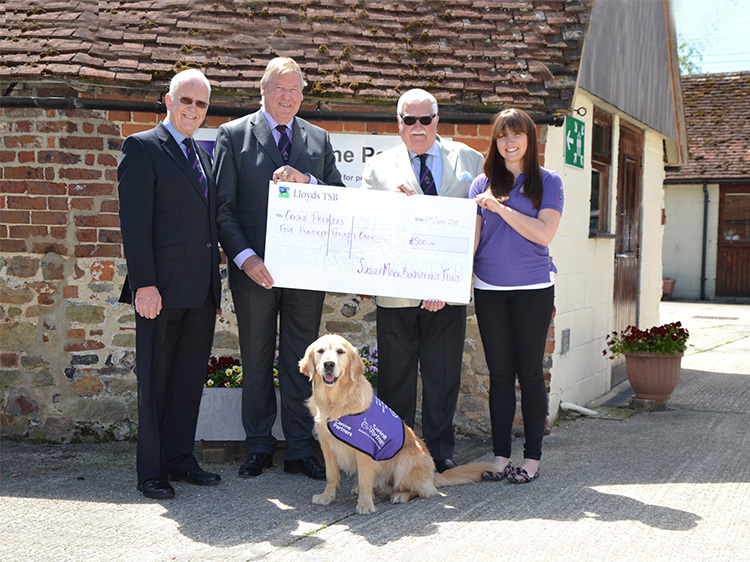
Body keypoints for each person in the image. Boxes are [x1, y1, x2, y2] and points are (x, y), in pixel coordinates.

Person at [214, 57, 343, 479]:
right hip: (256, 272)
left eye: (295, 90)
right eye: (279, 89)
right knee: (255, 356)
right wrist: (246, 258)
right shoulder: (233, 136)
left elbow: (340, 200)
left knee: (300, 361)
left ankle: (300, 449)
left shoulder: (319, 140)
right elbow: (223, 210)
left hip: (306, 272)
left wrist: (309, 182)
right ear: (263, 91)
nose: (287, 97)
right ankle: (258, 445)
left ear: (303, 96)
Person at [360, 88, 484, 473]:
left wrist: (446, 286)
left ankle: (439, 452)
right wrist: (388, 205)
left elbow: (478, 224)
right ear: (398, 123)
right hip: (398, 294)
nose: (417, 127)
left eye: (424, 119)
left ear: (437, 121)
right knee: (395, 378)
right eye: (408, 120)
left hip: (446, 294)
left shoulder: (470, 159)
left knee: (443, 374)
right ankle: (395, 452)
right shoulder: (378, 167)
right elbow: (368, 223)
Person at [118, 68, 222, 499]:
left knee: (187, 380)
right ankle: (152, 471)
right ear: (168, 100)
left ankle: (180, 459)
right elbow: (134, 224)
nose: (193, 110)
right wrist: (145, 285)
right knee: (156, 383)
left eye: (201, 104)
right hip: (159, 291)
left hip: (199, 292)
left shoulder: (202, 154)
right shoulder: (142, 148)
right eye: (186, 101)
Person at [471, 108, 564, 484]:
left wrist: (500, 207)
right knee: (499, 375)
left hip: (532, 290)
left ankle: (532, 459)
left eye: (516, 135)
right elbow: (472, 241)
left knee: (529, 373)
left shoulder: (548, 182)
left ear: (529, 139)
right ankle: (499, 457)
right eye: (502, 136)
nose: (509, 142)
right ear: (495, 142)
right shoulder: (480, 184)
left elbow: (543, 234)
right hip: (489, 289)